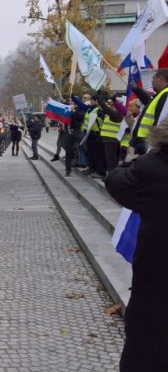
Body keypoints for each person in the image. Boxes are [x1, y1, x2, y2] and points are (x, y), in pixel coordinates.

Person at [104, 117, 168, 372]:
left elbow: (116, 182)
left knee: (146, 339)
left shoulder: (152, 167)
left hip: (156, 270)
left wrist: (138, 161)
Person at [132, 68, 168, 155]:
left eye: (153, 78)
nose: (152, 82)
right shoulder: (161, 94)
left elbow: (160, 119)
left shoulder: (165, 94)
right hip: (147, 140)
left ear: (160, 79)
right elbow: (147, 100)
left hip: (150, 142)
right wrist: (137, 89)